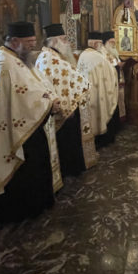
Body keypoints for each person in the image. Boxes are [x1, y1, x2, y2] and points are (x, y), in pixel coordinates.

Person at [0, 21, 62, 223]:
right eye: (29, 41)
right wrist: (48, 103)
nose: (33, 45)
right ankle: (19, 211)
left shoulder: (18, 58)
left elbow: (36, 84)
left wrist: (51, 97)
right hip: (11, 130)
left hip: (27, 124)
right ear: (14, 41)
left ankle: (36, 204)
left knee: (35, 165)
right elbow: (18, 97)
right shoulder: (3, 63)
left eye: (34, 41)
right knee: (22, 170)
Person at [36, 24, 91, 175]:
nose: (67, 42)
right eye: (64, 39)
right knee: (66, 141)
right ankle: (69, 169)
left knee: (69, 139)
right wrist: (67, 106)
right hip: (62, 109)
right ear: (54, 41)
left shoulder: (53, 56)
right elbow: (56, 83)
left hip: (67, 104)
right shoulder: (49, 58)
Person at [77, 31, 119, 150]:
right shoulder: (97, 57)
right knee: (99, 114)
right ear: (96, 44)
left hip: (85, 94)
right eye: (100, 43)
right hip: (97, 93)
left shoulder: (83, 55)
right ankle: (102, 139)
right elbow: (111, 73)